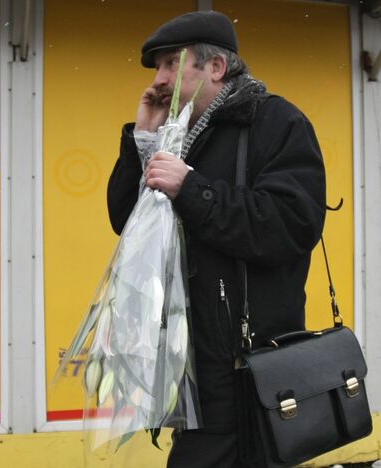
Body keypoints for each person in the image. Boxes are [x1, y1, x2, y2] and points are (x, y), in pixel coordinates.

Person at [107, 11, 326, 467]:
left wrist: (192, 188)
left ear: (216, 68)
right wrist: (143, 139)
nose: (160, 80)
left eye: (171, 64)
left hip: (252, 369)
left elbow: (291, 224)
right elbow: (126, 223)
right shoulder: (175, 135)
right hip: (191, 370)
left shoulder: (276, 123)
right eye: (156, 69)